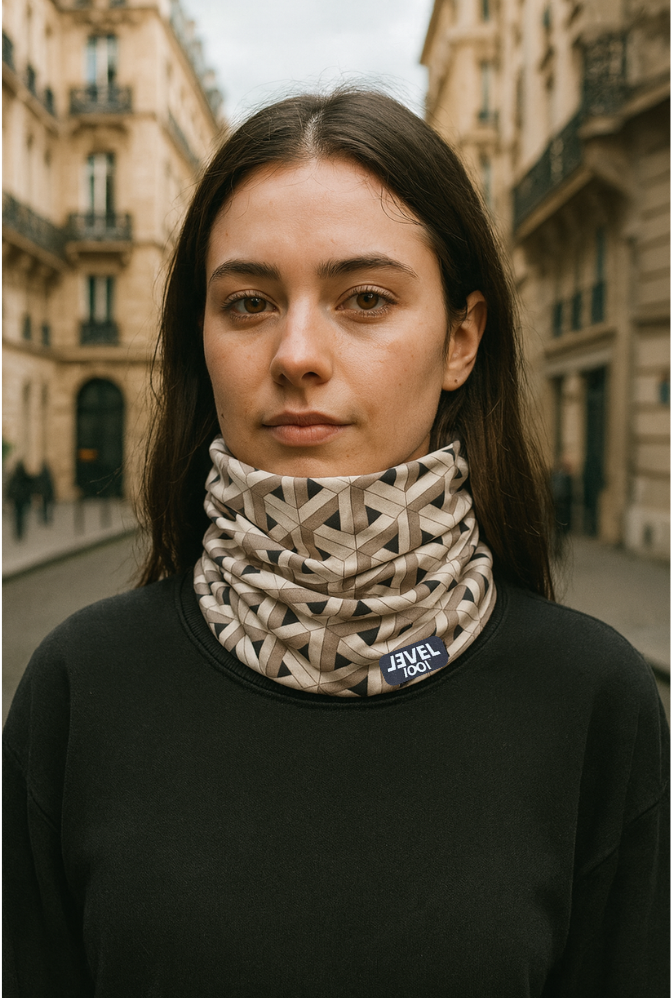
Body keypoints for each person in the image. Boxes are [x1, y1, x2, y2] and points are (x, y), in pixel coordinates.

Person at [3, 89, 668, 997]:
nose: (297, 352)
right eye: (248, 301)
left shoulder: (596, 704)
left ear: (461, 340)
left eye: (364, 297)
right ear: (199, 337)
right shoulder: (79, 690)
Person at [5, 459, 33, 540]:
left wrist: (9, 498)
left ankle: (18, 532)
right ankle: (20, 532)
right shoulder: (25, 476)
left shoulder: (14, 477)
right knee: (22, 516)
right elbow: (30, 487)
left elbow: (10, 488)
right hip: (23, 500)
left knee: (17, 516)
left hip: (17, 500)